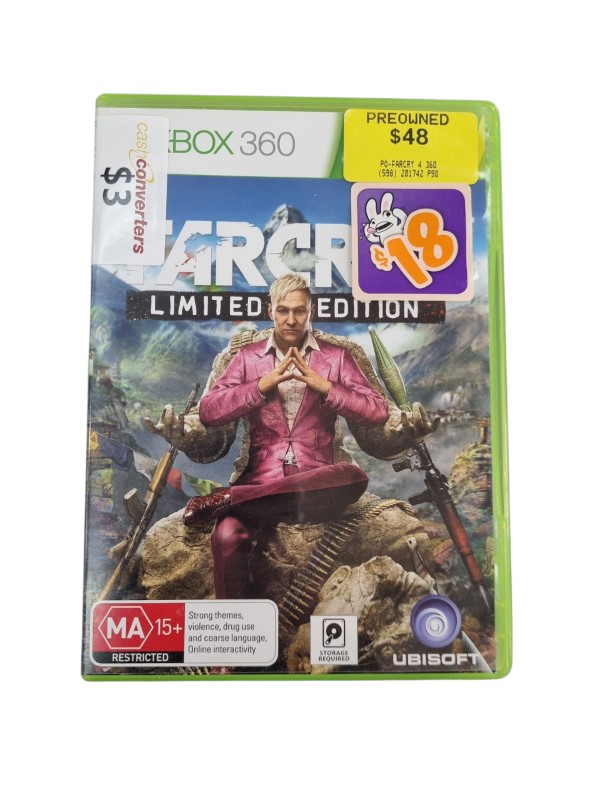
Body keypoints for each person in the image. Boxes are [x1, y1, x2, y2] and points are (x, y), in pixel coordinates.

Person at [146, 274, 438, 599]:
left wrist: (326, 386)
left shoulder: (337, 356)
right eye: (283, 311)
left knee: (353, 476)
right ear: (270, 310)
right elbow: (210, 410)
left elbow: (376, 411)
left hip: (319, 484)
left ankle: (230, 498)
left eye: (299, 311)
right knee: (226, 537)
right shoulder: (247, 357)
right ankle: (239, 625)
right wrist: (260, 386)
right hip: (260, 481)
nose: (291, 320)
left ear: (311, 310)